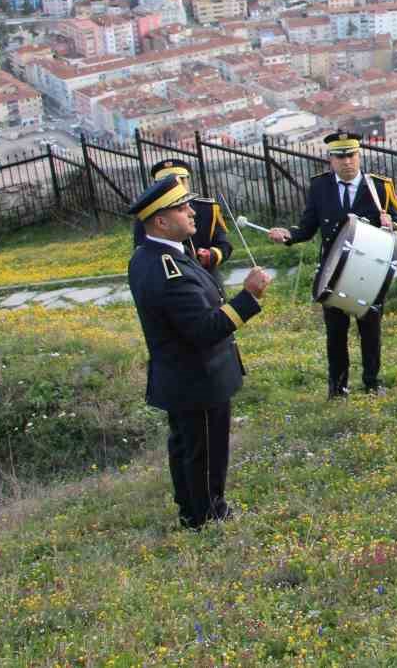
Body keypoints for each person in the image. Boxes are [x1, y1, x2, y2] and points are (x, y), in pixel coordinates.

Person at [127, 174, 271, 529]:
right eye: (182, 208)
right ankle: (208, 517)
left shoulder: (157, 256)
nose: (192, 212)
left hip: (184, 377)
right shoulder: (167, 269)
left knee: (188, 448)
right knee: (205, 451)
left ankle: (191, 511)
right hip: (197, 377)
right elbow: (203, 330)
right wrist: (248, 297)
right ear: (160, 221)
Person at [267, 131, 397, 397]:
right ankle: (338, 388)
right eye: (340, 157)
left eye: (351, 155)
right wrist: (288, 236)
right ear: (330, 159)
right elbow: (307, 227)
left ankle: (372, 382)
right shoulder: (320, 186)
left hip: (368, 271)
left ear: (359, 155)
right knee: (336, 333)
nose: (346, 162)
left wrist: (391, 225)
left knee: (370, 331)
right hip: (334, 271)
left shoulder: (380, 186)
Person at [132, 159, 233, 271]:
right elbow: (143, 252)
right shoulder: (149, 216)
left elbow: (224, 244)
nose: (177, 186)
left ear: (188, 182)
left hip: (206, 274)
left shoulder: (207, 208)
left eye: (181, 180)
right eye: (167, 182)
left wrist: (211, 255)